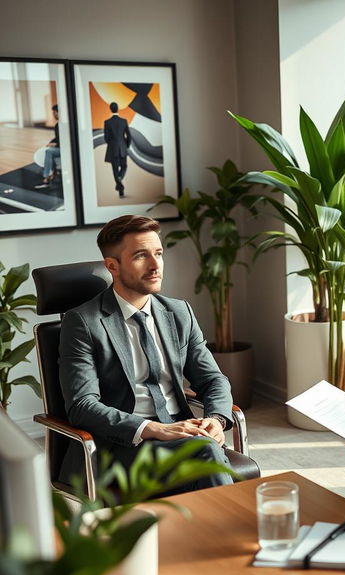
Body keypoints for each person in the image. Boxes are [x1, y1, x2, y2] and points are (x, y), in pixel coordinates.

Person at [59, 214, 233, 494]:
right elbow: (82, 406)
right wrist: (152, 429)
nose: (155, 266)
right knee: (208, 454)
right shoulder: (83, 322)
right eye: (141, 256)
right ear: (112, 266)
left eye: (158, 254)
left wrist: (216, 419)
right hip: (125, 445)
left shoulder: (179, 312)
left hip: (183, 431)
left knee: (205, 449)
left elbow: (213, 379)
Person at [103, 102, 131, 198]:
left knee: (115, 170)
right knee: (124, 166)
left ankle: (120, 189)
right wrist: (126, 145)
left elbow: (106, 138)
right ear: (118, 109)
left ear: (111, 109)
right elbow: (129, 136)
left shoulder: (107, 122)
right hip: (122, 148)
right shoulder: (124, 121)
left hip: (113, 149)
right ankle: (120, 178)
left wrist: (112, 145)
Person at [34, 104, 60, 189]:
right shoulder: (57, 125)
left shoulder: (65, 125)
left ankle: (46, 178)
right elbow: (58, 138)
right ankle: (53, 173)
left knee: (49, 152)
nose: (54, 115)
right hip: (61, 147)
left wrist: (56, 144)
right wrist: (51, 143)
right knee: (48, 149)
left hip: (68, 149)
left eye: (55, 113)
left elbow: (69, 139)